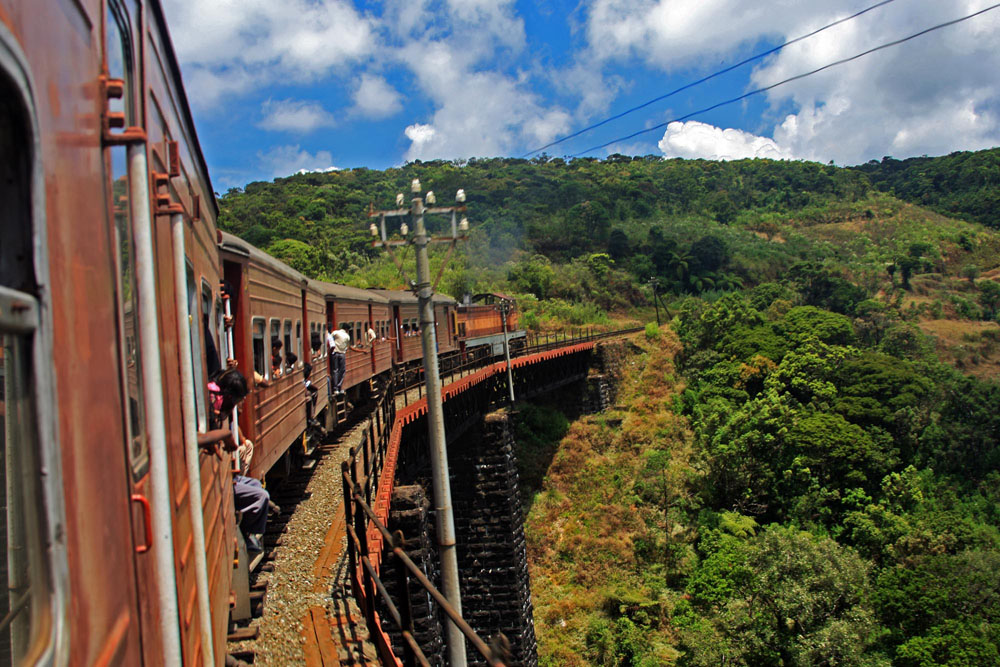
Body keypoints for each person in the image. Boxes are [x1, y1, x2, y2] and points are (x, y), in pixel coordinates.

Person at [199, 368, 272, 553]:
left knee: (256, 485)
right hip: (221, 479)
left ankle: (248, 532)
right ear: (231, 396)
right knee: (261, 496)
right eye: (239, 400)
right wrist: (224, 435)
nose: (239, 405)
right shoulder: (214, 401)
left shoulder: (217, 398)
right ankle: (249, 535)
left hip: (227, 475)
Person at [327, 323, 350, 395]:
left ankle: (335, 388)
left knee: (335, 370)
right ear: (346, 329)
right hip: (342, 354)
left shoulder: (335, 333)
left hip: (335, 353)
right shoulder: (347, 336)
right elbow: (347, 346)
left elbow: (329, 338)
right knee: (342, 370)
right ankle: (339, 387)